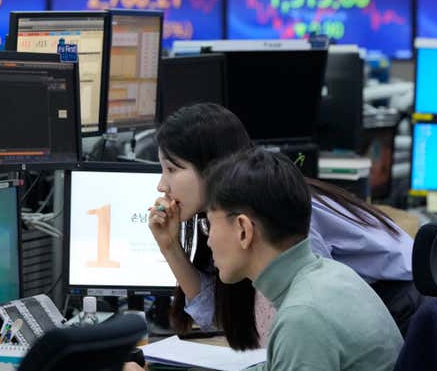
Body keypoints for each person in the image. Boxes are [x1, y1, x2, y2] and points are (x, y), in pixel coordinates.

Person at [149, 103, 417, 350]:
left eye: (172, 169)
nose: (162, 185)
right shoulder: (233, 215)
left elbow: (310, 318)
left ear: (210, 167)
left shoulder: (278, 217)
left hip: (401, 309)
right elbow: (224, 316)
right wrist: (170, 247)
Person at [204, 148, 403, 370]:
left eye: (210, 225)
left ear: (243, 230)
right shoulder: (332, 273)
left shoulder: (302, 317)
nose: (208, 240)